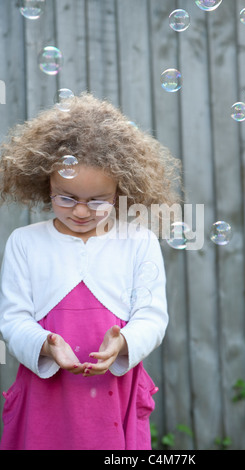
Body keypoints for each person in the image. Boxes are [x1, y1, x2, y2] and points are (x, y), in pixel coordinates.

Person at [0, 93, 181, 450]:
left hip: (116, 391)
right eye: (65, 197)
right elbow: (13, 319)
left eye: (98, 201)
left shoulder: (138, 241)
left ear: (121, 191)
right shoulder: (25, 242)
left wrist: (124, 342)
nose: (81, 212)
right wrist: (45, 345)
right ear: (43, 184)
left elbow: (152, 317)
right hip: (46, 392)